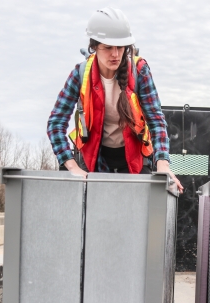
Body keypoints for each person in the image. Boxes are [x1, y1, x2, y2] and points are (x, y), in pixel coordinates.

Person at [47, 6, 183, 193]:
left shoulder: (140, 71)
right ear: (94, 46)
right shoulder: (80, 74)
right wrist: (72, 166)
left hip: (134, 158)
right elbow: (56, 123)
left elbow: (156, 121)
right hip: (95, 158)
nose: (115, 54)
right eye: (108, 47)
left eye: (120, 47)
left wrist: (163, 165)